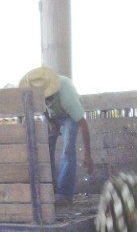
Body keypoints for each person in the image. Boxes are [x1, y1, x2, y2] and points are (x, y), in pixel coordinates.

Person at [19, 66, 94, 205]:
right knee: (44, 149)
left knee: (68, 149)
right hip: (53, 116)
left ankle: (64, 194)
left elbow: (83, 123)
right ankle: (49, 189)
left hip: (70, 116)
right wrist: (51, 122)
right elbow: (42, 108)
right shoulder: (36, 95)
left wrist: (88, 155)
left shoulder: (67, 96)